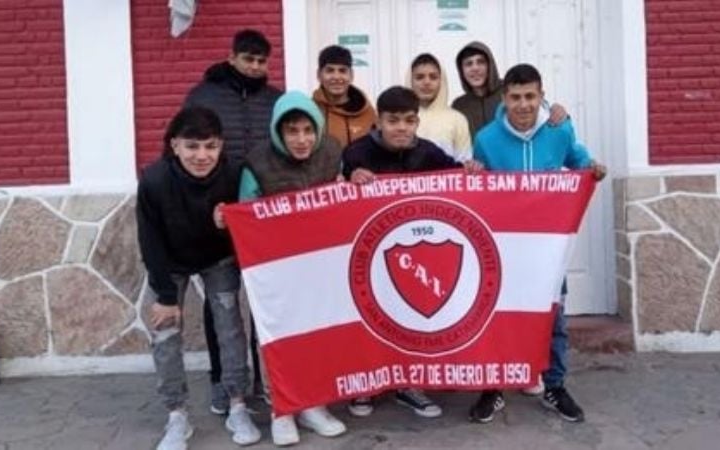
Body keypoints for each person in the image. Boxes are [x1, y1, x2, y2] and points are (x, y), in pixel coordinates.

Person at [469, 63, 606, 425]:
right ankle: (493, 388)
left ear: (542, 96)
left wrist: (592, 168)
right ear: (504, 98)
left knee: (554, 319)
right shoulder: (486, 138)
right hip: (502, 248)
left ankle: (554, 386)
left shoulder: (560, 130)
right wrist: (473, 172)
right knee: (495, 318)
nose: (523, 104)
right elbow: (475, 187)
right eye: (515, 97)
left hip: (547, 250)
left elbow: (578, 160)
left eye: (530, 96)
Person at [342, 86, 482, 418]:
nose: (401, 128)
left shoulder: (429, 153)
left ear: (417, 122)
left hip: (414, 254)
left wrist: (470, 170)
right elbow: (337, 191)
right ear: (379, 121)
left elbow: (456, 178)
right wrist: (351, 176)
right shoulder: (357, 152)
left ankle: (408, 384)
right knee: (370, 317)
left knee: (408, 317)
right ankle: (367, 382)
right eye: (393, 121)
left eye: (409, 120)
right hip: (369, 255)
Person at [137, 107, 261, 448]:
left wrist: (230, 221)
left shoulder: (234, 172)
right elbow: (150, 240)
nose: (202, 155)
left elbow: (252, 217)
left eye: (210, 146)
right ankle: (176, 414)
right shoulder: (154, 180)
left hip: (218, 258)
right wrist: (164, 296)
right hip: (171, 262)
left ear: (221, 145)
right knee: (165, 332)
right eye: (192, 146)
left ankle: (237, 404)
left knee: (230, 327)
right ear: (175, 145)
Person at [236, 91, 348, 446]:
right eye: (292, 131)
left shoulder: (331, 153)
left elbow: (341, 200)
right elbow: (246, 215)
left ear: (317, 129)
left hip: (317, 265)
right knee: (275, 337)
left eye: (307, 130)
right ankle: (281, 409)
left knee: (315, 332)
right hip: (274, 269)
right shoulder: (257, 163)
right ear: (278, 132)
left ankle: (312, 404)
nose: (301, 139)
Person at [183, 28, 281, 412]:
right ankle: (221, 382)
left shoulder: (275, 100)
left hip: (263, 217)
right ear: (232, 57)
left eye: (261, 61)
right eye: (248, 59)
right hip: (218, 214)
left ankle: (262, 381)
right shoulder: (203, 96)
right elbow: (184, 153)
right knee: (220, 304)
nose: (255, 67)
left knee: (264, 303)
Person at [452, 41, 569, 140]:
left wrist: (556, 111)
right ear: (461, 70)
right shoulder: (459, 105)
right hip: (478, 159)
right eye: (468, 64)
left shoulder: (510, 90)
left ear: (490, 65)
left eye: (481, 62)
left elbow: (540, 109)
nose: (475, 68)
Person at [406, 53, 472, 162]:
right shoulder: (399, 120)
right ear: (410, 81)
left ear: (441, 81)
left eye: (433, 77)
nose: (426, 82)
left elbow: (465, 163)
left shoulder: (457, 119)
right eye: (419, 77)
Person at [311, 45, 376, 149]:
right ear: (319, 75)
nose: (336, 77)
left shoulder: (368, 113)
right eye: (330, 70)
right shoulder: (311, 111)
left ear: (351, 75)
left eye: (342, 71)